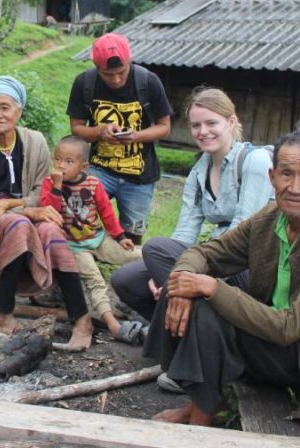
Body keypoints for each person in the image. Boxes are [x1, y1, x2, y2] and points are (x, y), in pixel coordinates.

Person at [146, 131, 300, 426]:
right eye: (286, 174)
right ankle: (200, 408)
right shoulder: (271, 218)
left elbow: (289, 327)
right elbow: (209, 252)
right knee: (187, 286)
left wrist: (213, 287)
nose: (295, 187)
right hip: (272, 336)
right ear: (272, 177)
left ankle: (200, 417)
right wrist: (182, 279)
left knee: (208, 302)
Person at [111, 86, 273, 328]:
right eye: (196, 126)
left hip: (250, 265)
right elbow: (184, 234)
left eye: (211, 123)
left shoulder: (254, 161)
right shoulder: (199, 172)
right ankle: (181, 332)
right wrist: (164, 273)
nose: (203, 131)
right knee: (126, 279)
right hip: (214, 258)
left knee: (155, 248)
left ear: (231, 122)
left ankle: (200, 332)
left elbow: (242, 233)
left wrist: (187, 277)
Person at [0, 76, 93, 350]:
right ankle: (3, 315)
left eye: (4, 107)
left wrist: (8, 204)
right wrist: (18, 210)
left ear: (19, 111)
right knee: (19, 225)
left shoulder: (35, 141)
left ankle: (82, 318)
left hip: (24, 215)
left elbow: (40, 192)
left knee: (52, 230)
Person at [67, 33, 173, 241]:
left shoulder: (148, 81)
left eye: (121, 72)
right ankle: (87, 260)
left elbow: (164, 127)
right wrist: (99, 131)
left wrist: (136, 136)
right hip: (98, 169)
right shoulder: (84, 83)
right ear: (97, 67)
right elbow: (76, 129)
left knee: (132, 234)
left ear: (129, 62)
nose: (115, 79)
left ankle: (125, 270)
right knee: (79, 220)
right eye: (108, 74)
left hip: (139, 175)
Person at [39, 135, 144, 343]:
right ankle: (113, 325)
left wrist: (120, 236)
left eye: (69, 162)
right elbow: (49, 211)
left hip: (98, 238)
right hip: (73, 246)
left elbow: (106, 213)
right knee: (95, 281)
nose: (61, 166)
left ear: (83, 166)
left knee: (139, 255)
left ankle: (146, 298)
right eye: (58, 159)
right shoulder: (49, 184)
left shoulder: (94, 184)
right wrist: (57, 187)